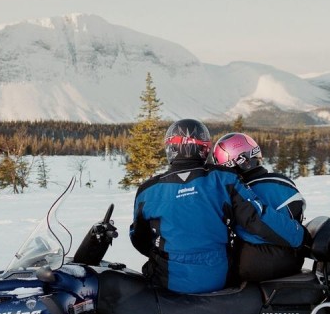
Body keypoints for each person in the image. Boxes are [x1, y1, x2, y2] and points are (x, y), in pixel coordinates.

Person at [129, 119, 306, 294]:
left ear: (170, 148)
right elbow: (256, 219)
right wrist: (299, 236)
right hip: (217, 277)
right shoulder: (224, 179)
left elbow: (139, 238)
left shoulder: (148, 191)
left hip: (168, 281)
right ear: (204, 149)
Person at [212, 132, 307, 281]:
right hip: (291, 259)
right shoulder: (283, 183)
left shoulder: (236, 194)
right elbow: (297, 215)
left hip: (255, 263)